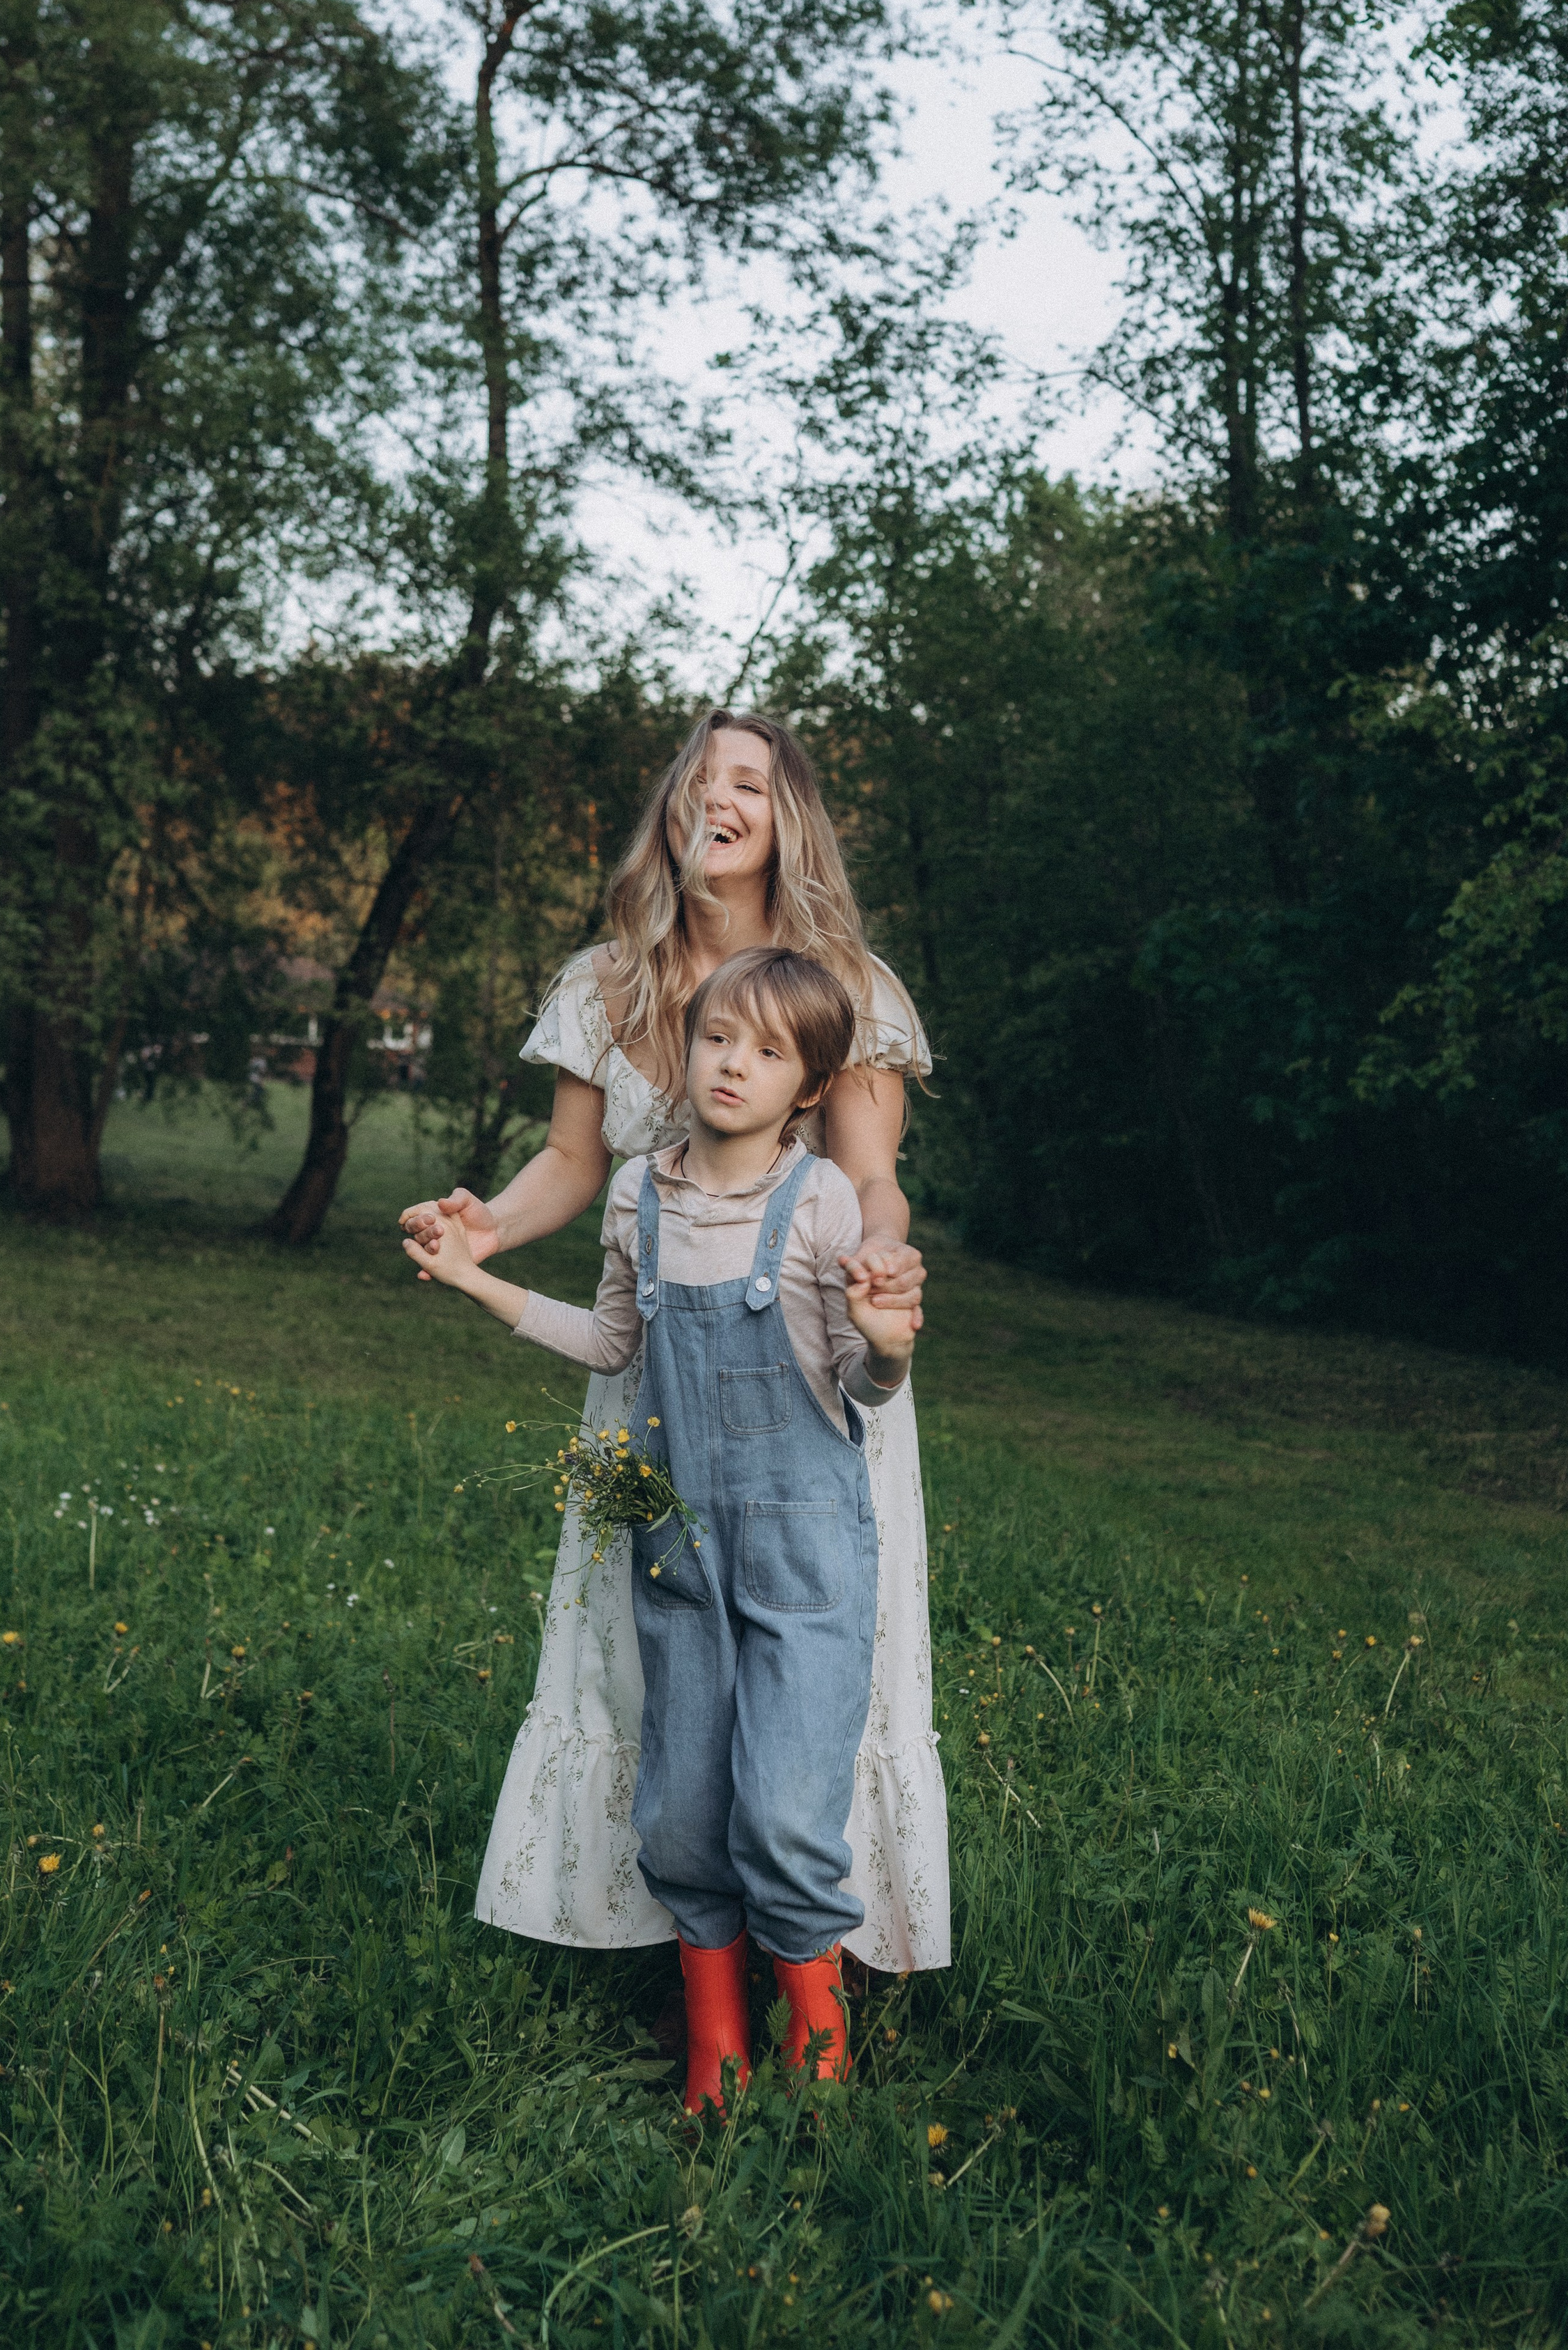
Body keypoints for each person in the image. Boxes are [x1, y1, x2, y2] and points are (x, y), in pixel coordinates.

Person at [399, 712, 949, 1974]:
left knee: (812, 1665)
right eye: (698, 781)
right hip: (648, 1387)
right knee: (653, 1656)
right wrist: (486, 1227)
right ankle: (672, 1935)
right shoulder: (609, 980)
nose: (717, 798)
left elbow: (875, 1180)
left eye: (747, 782)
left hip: (815, 1387)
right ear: (673, 814)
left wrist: (883, 1267)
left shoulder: (850, 990)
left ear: (785, 817)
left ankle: (809, 1951)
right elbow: (571, 1166)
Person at [407, 948, 917, 2109]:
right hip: (677, 1543)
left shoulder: (822, 1200)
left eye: (771, 1051)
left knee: (786, 1813)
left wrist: (886, 1341)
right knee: (684, 1812)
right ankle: (715, 2048)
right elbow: (610, 1344)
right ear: (684, 1049)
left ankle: (821, 2052)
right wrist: (478, 1279)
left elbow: (860, 1387)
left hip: (805, 1554)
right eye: (719, 1038)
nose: (735, 1064)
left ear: (809, 1086)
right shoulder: (641, 1193)